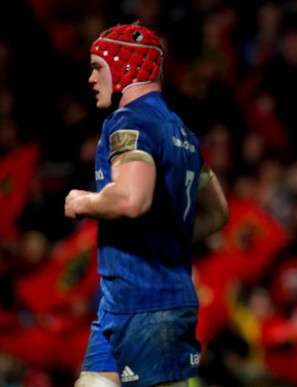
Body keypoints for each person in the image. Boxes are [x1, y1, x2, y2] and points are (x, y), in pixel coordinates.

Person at [64, 23, 229, 387]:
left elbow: (131, 199)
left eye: (97, 66)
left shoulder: (128, 121)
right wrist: (167, 235)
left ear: (123, 65)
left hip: (148, 305)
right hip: (123, 303)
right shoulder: (182, 132)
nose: (91, 79)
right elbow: (219, 214)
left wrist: (82, 202)